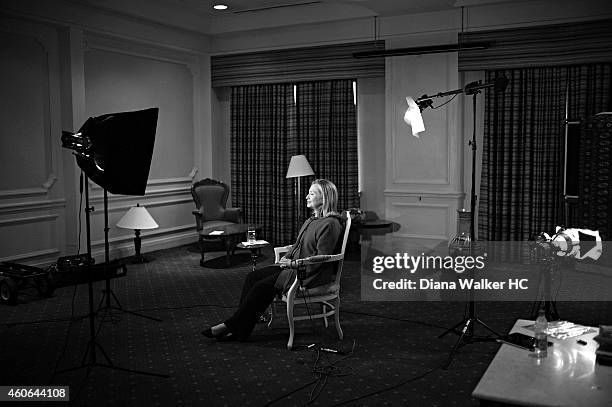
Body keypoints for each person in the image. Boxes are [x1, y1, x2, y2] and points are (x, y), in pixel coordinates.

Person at [202, 179, 344, 341]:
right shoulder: (312, 220)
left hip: (308, 273)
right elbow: (299, 245)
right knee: (252, 277)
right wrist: (287, 257)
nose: (306, 196)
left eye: (312, 193)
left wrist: (293, 263)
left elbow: (321, 258)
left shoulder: (331, 224)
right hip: (293, 266)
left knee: (261, 288)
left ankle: (231, 326)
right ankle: (241, 328)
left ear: (325, 198)